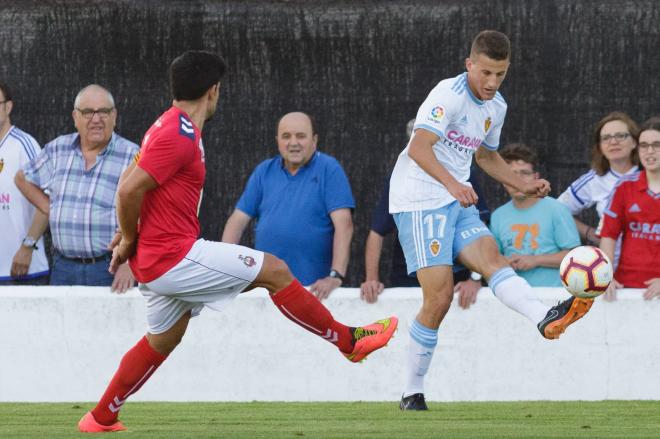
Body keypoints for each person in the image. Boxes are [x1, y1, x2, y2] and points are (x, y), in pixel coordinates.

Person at [77, 50, 397, 433]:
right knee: (275, 270)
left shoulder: (169, 124)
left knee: (163, 339)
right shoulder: (177, 135)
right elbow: (128, 190)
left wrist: (132, 232)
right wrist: (129, 237)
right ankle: (350, 342)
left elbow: (135, 178)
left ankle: (100, 417)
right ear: (213, 91)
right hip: (172, 258)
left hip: (161, 259)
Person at [388, 30, 594, 411]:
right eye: (485, 73)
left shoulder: (496, 105)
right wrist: (452, 184)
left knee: (493, 261)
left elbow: (485, 157)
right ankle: (411, 391)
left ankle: (544, 316)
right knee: (440, 297)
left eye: (499, 74)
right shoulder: (446, 95)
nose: (491, 82)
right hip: (420, 201)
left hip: (455, 197)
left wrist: (523, 184)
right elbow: (418, 147)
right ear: (469, 64)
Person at [14, 84, 138, 292]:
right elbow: (22, 178)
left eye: (104, 111)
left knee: (107, 326)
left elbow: (148, 212)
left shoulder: (132, 156)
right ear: (75, 117)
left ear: (114, 115)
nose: (96, 119)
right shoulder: (58, 149)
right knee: (60, 326)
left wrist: (130, 263)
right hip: (63, 268)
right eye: (88, 112)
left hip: (110, 269)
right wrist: (50, 208)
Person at [222, 112, 354, 300]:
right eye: (286, 136)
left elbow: (345, 225)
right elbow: (237, 221)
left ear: (314, 139)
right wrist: (224, 267)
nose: (293, 143)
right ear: (277, 141)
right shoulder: (264, 171)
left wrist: (335, 276)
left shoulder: (329, 169)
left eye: (301, 136)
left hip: (315, 292)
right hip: (266, 292)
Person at [360, 118, 490, 309]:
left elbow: (481, 227)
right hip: (409, 278)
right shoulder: (400, 178)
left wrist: (475, 279)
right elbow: (377, 232)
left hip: (457, 282)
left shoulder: (464, 173)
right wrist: (371, 279)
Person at [490, 143, 580, 286]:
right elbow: (492, 258)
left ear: (536, 177)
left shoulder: (556, 209)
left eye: (524, 173)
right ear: (503, 179)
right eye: (512, 174)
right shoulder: (497, 216)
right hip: (511, 296)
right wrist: (504, 262)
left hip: (553, 297)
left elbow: (575, 258)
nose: (518, 180)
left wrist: (536, 260)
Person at [557, 112, 639, 259]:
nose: (613, 142)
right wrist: (589, 232)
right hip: (611, 271)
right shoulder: (594, 180)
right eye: (606, 138)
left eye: (620, 136)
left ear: (634, 142)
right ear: (600, 147)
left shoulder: (651, 174)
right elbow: (558, 210)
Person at [599, 116, 660, 301]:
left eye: (657, 145)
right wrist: (606, 276)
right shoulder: (624, 186)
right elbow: (608, 235)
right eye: (644, 145)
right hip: (625, 289)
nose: (649, 151)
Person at [0, 81, 49, 285]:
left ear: (8, 107)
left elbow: (48, 202)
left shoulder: (24, 145)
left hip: (22, 270)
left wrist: (27, 247)